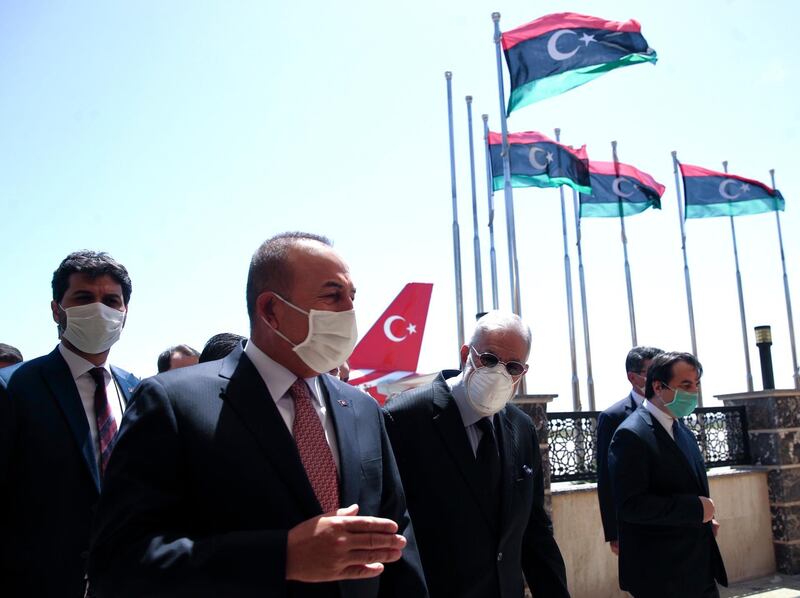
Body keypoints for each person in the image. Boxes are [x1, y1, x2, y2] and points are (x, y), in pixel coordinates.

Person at [88, 232, 428, 598]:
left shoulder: (361, 408)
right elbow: (119, 562)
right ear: (270, 311)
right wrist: (281, 557)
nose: (349, 310)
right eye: (333, 296)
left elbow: (397, 541)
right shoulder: (173, 402)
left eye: (351, 297)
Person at [383, 311, 570, 598]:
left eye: (513, 367)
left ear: (523, 372)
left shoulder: (521, 428)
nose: (499, 373)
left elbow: (535, 532)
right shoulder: (403, 419)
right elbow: (394, 531)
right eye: (490, 359)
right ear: (464, 354)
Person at [0, 251, 139, 597]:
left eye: (111, 301)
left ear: (125, 314)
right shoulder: (14, 387)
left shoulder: (137, 390)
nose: (99, 309)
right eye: (83, 298)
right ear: (56, 309)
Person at [609, 351, 728, 598]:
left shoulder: (683, 431)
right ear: (658, 386)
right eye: (685, 384)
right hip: (661, 575)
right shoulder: (631, 434)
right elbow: (631, 505)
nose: (693, 392)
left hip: (698, 568)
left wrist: (704, 518)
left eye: (696, 384)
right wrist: (695, 510)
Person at [596, 346, 663, 554]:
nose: (660, 380)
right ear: (633, 378)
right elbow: (606, 478)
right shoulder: (613, 417)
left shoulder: (672, 411)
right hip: (636, 525)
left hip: (673, 521)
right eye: (653, 373)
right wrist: (614, 533)